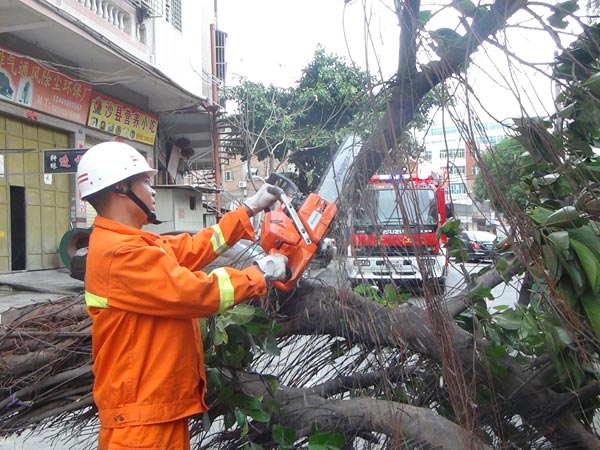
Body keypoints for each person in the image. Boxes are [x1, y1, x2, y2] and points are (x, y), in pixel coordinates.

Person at [76, 141, 288, 450]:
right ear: (121, 188)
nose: (153, 190)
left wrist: (248, 209)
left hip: (152, 414)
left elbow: (191, 248)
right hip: (141, 427)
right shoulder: (120, 253)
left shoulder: (131, 243)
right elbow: (194, 293)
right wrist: (261, 272)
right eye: (145, 181)